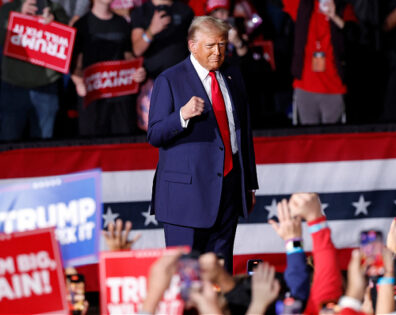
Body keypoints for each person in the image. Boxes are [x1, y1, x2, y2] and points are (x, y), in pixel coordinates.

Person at [147, 16, 258, 273]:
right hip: (185, 199)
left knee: (221, 275)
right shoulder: (169, 80)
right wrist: (181, 116)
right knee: (186, 277)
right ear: (192, 45)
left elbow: (243, 134)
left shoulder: (233, 75)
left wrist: (249, 184)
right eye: (210, 46)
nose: (217, 52)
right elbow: (154, 134)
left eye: (221, 44)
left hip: (228, 190)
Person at [71, 0, 146, 137]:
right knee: (93, 146)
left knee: (122, 144)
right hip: (93, 96)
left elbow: (128, 55)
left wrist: (137, 71)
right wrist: (77, 81)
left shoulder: (122, 23)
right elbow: (75, 64)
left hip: (120, 97)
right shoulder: (82, 25)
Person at [0, 0, 68, 141]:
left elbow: (67, 43)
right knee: (9, 146)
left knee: (43, 148)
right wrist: (18, 15)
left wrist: (54, 24)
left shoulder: (55, 10)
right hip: (13, 87)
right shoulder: (7, 9)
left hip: (46, 88)